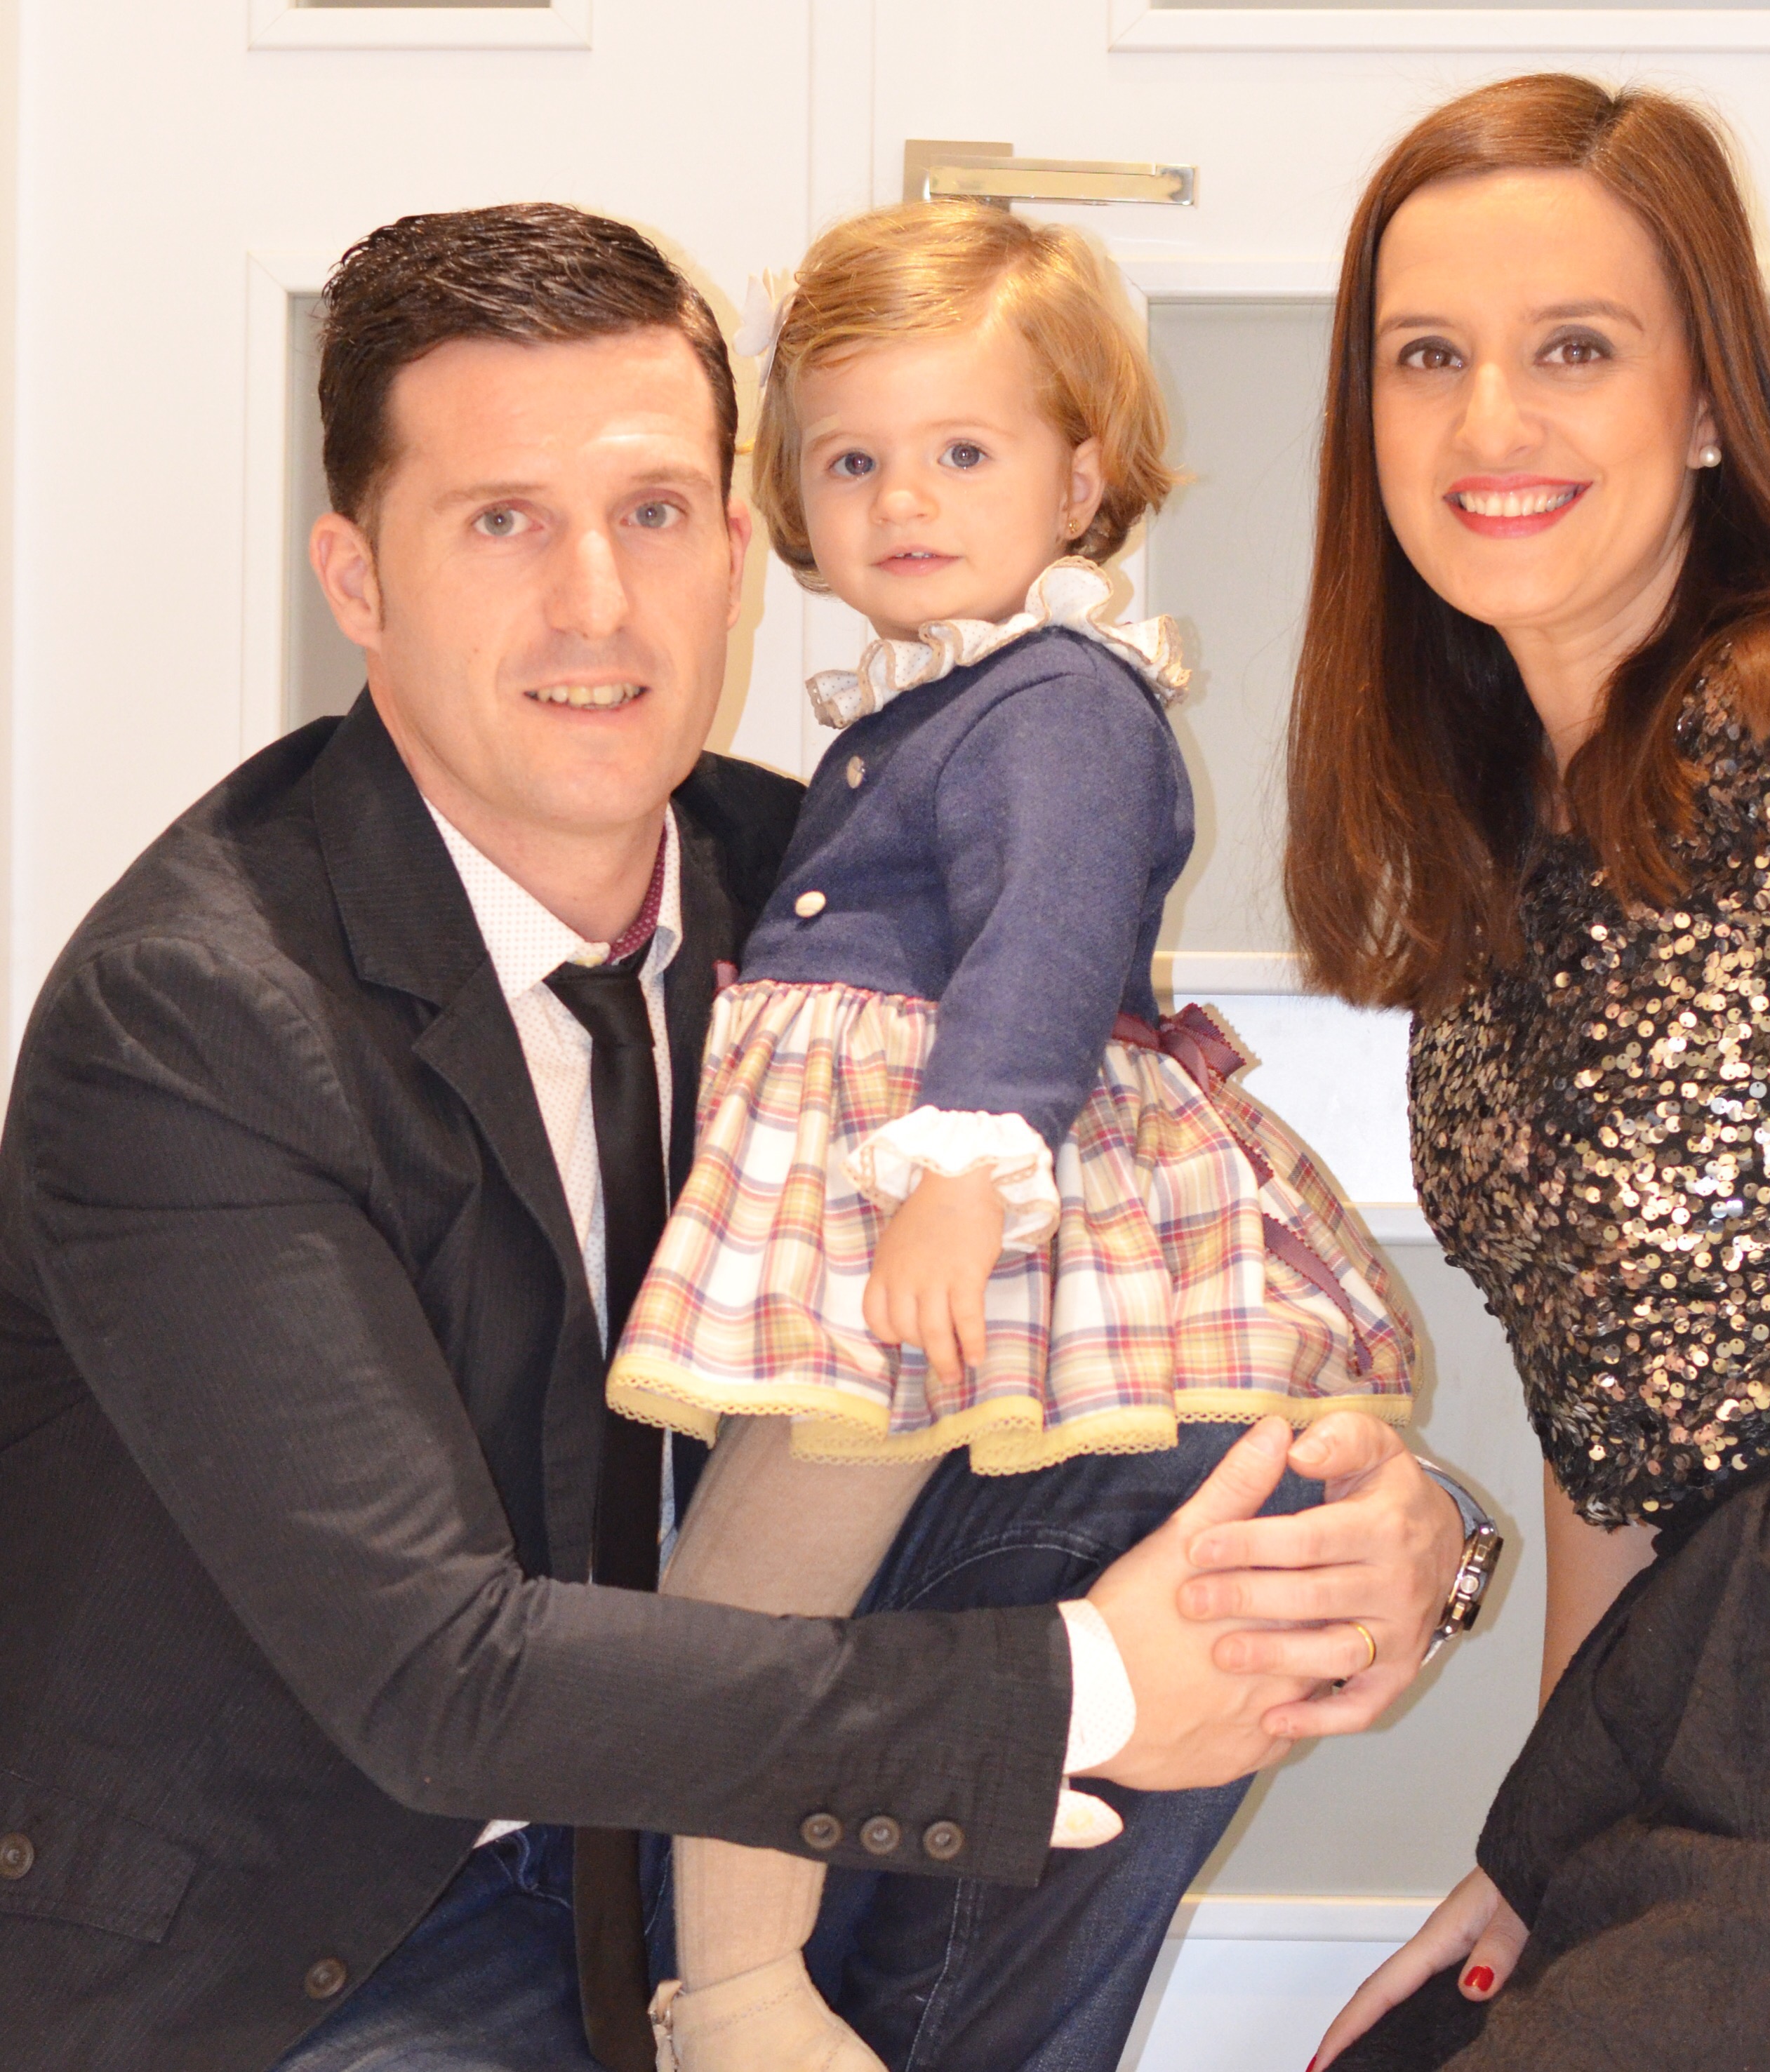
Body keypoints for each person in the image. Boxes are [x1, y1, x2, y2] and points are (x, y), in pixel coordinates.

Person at [0, 201, 1470, 2072]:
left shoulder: (814, 893)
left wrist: (1395, 1542)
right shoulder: (195, 1015)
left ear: (730, 543)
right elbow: (437, 1679)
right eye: (503, 521)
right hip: (325, 1929)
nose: (596, 603)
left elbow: (1113, 1296)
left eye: (652, 511)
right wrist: (1091, 1687)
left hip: (692, 1849)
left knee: (1214, 1476)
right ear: (357, 578)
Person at [1279, 74, 1770, 2072]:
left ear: (1706, 401)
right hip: (1718, 1688)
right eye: (1427, 357)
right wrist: (1542, 1845)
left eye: (1574, 349)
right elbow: (1611, 1447)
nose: (1489, 422)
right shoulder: (1492, 892)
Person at [592, 202, 1420, 2072]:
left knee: (754, 1590)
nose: (902, 499)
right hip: (893, 1185)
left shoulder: (1060, 700)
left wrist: (961, 1172)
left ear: (1083, 475)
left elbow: (1046, 944)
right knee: (758, 1580)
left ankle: (738, 1992)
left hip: (938, 1205)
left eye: (962, 451)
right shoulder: (946, 700)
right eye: (852, 460)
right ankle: (746, 1969)